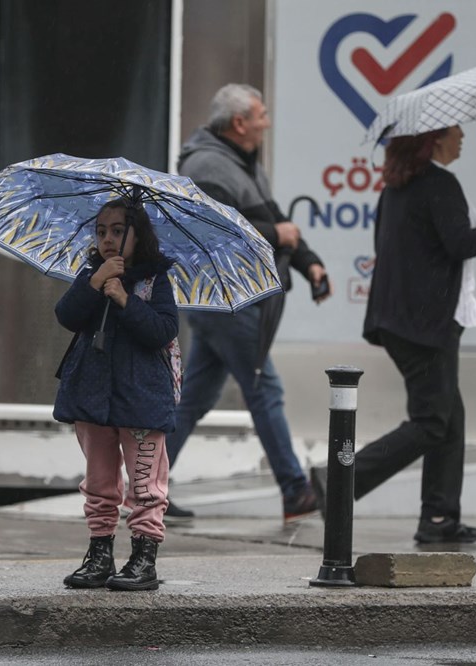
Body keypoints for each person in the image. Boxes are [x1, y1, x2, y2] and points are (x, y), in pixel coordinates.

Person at [314, 125, 476, 544]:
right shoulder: (440, 185)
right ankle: (338, 479)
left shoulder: (396, 187)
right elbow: (460, 244)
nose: (463, 136)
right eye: (455, 132)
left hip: (402, 321)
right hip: (425, 325)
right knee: (432, 421)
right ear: (433, 140)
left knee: (450, 418)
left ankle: (440, 519)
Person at [165, 83, 331, 524]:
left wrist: (310, 263)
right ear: (239, 123)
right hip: (223, 299)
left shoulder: (242, 164)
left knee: (195, 398)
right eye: (261, 115)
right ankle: (295, 491)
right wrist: (279, 237)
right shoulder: (206, 166)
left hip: (231, 299)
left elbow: (272, 215)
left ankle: (146, 489)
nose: (267, 122)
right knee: (265, 389)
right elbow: (217, 232)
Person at [54, 199, 178, 592]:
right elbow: (67, 315)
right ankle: (99, 553)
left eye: (118, 231)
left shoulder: (155, 281)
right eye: (101, 231)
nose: (107, 238)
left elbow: (163, 330)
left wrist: (125, 300)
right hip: (91, 396)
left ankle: (144, 556)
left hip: (141, 399)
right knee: (99, 480)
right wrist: (95, 283)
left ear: (138, 235)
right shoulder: (91, 273)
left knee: (145, 483)